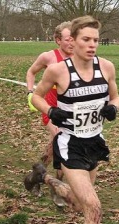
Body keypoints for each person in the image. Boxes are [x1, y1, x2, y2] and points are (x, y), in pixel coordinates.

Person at [24, 15, 119, 224]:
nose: (92, 45)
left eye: (96, 40)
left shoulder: (106, 66)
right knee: (93, 208)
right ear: (73, 41)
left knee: (79, 205)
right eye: (86, 39)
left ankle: (44, 178)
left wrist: (113, 107)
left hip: (95, 143)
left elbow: (116, 97)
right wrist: (50, 110)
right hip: (70, 145)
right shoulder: (58, 70)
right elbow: (36, 96)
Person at [26, 21, 73, 199]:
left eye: (74, 39)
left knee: (54, 147)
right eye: (68, 39)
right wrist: (30, 93)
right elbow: (31, 72)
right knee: (61, 141)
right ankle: (57, 190)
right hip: (50, 110)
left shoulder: (80, 57)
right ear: (58, 40)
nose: (72, 43)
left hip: (70, 111)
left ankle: (35, 176)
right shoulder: (48, 57)